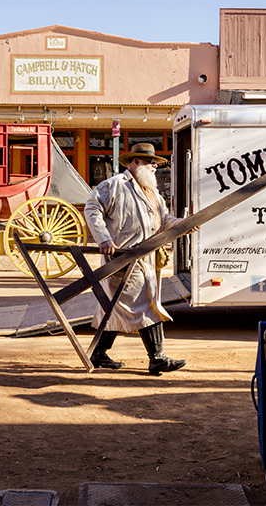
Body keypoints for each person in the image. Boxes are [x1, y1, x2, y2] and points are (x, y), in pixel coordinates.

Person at [84, 142, 188, 375]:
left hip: (147, 258)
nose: (154, 167)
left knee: (117, 307)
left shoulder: (152, 192)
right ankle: (157, 358)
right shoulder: (114, 186)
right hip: (123, 258)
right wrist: (103, 239)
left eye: (155, 163)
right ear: (135, 163)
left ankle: (99, 353)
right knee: (145, 305)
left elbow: (164, 220)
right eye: (150, 162)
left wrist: (182, 225)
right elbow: (92, 208)